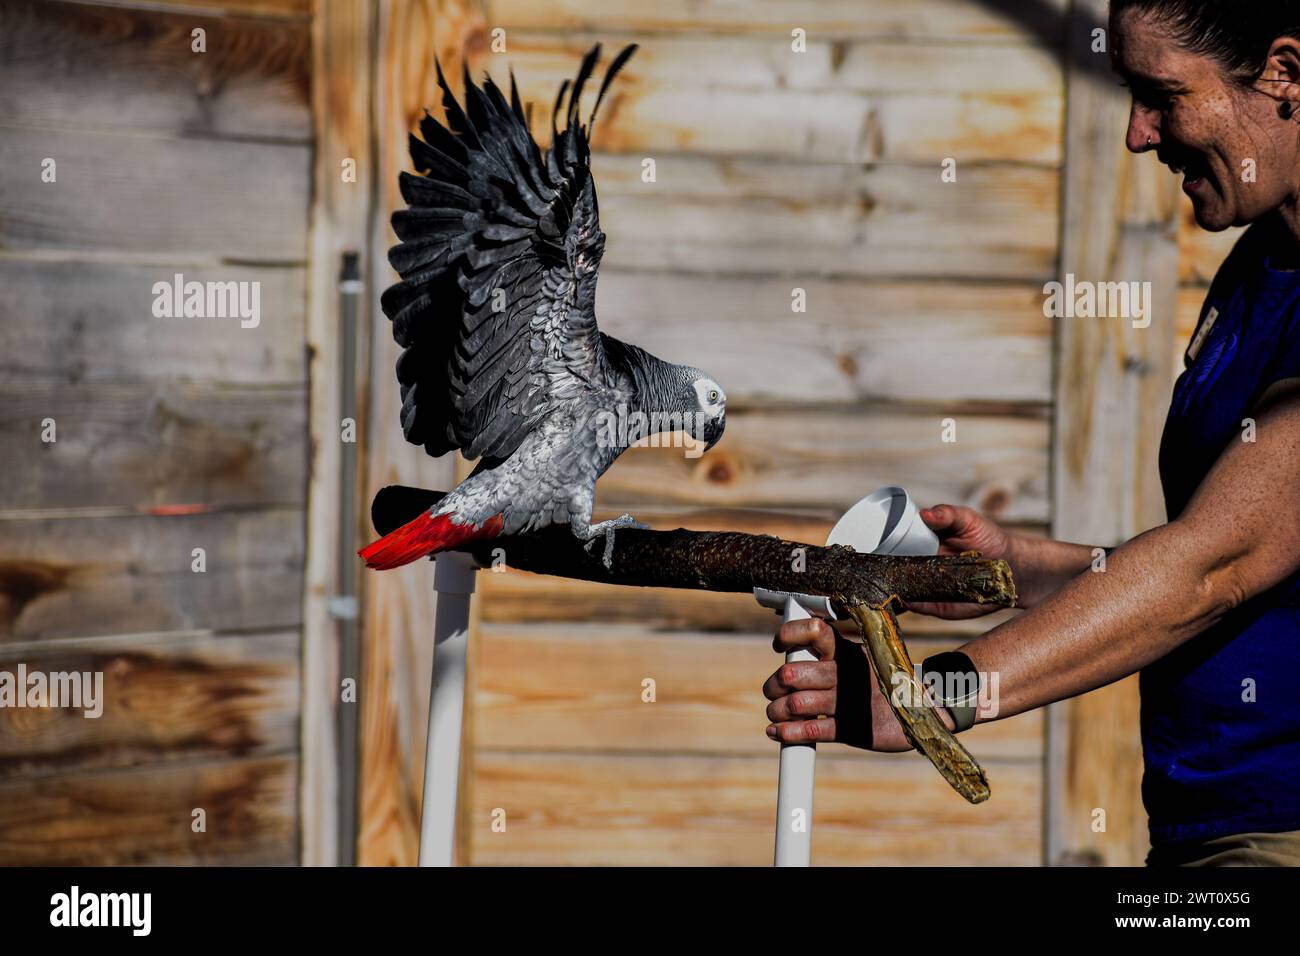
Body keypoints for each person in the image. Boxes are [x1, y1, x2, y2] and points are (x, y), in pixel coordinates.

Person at [763, 0, 1300, 866]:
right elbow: (1245, 555)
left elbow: (1215, 566)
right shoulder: (1259, 268)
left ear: (1284, 74)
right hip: (1205, 826)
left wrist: (927, 694)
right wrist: (1013, 569)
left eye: (1161, 94)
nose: (1137, 133)